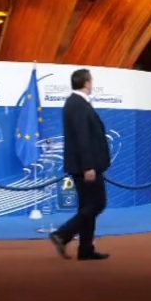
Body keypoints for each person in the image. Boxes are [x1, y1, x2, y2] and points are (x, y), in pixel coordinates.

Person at [50, 69, 112, 261]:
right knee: (97, 204)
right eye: (91, 81)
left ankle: (85, 249)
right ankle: (63, 234)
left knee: (88, 206)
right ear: (86, 83)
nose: (92, 84)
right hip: (86, 167)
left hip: (86, 165)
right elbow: (82, 138)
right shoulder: (77, 105)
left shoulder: (76, 104)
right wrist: (88, 167)